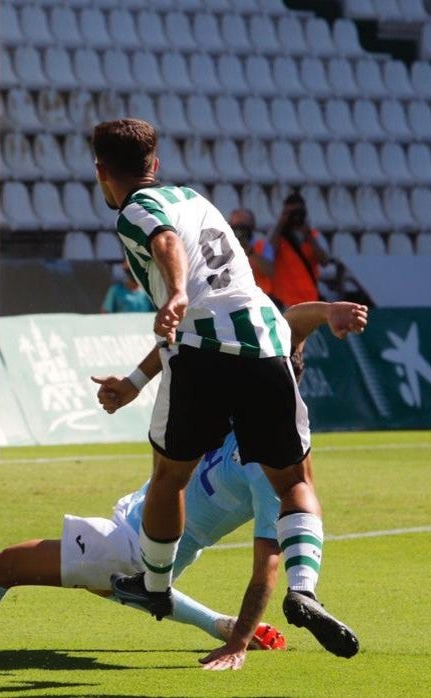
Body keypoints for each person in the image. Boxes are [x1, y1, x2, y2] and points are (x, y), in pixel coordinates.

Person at [0, 301, 366, 670]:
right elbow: (285, 322)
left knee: (3, 565)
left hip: (138, 551)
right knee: (115, 586)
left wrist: (239, 643)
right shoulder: (251, 410)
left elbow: (266, 568)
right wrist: (330, 312)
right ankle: (208, 619)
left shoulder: (272, 469)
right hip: (138, 537)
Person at [89, 119, 357, 660]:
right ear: (156, 165)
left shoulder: (135, 212)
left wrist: (176, 297)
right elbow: (218, 297)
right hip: (264, 341)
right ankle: (303, 588)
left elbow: (166, 246)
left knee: (169, 477)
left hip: (202, 352)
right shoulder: (195, 199)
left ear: (101, 173)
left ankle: (156, 585)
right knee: (295, 482)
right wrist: (137, 381)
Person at [266, 192, 331, 309]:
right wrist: (280, 225)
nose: (295, 217)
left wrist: (309, 236)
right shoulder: (277, 235)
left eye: (298, 213)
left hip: (309, 300)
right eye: (291, 213)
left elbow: (325, 261)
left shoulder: (314, 235)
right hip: (284, 301)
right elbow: (268, 255)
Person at [227, 208, 273, 295]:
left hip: (260, 297)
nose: (239, 230)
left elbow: (269, 271)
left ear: (252, 226)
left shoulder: (263, 245)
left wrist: (250, 252)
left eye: (243, 225)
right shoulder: (223, 246)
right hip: (234, 298)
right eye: (236, 226)